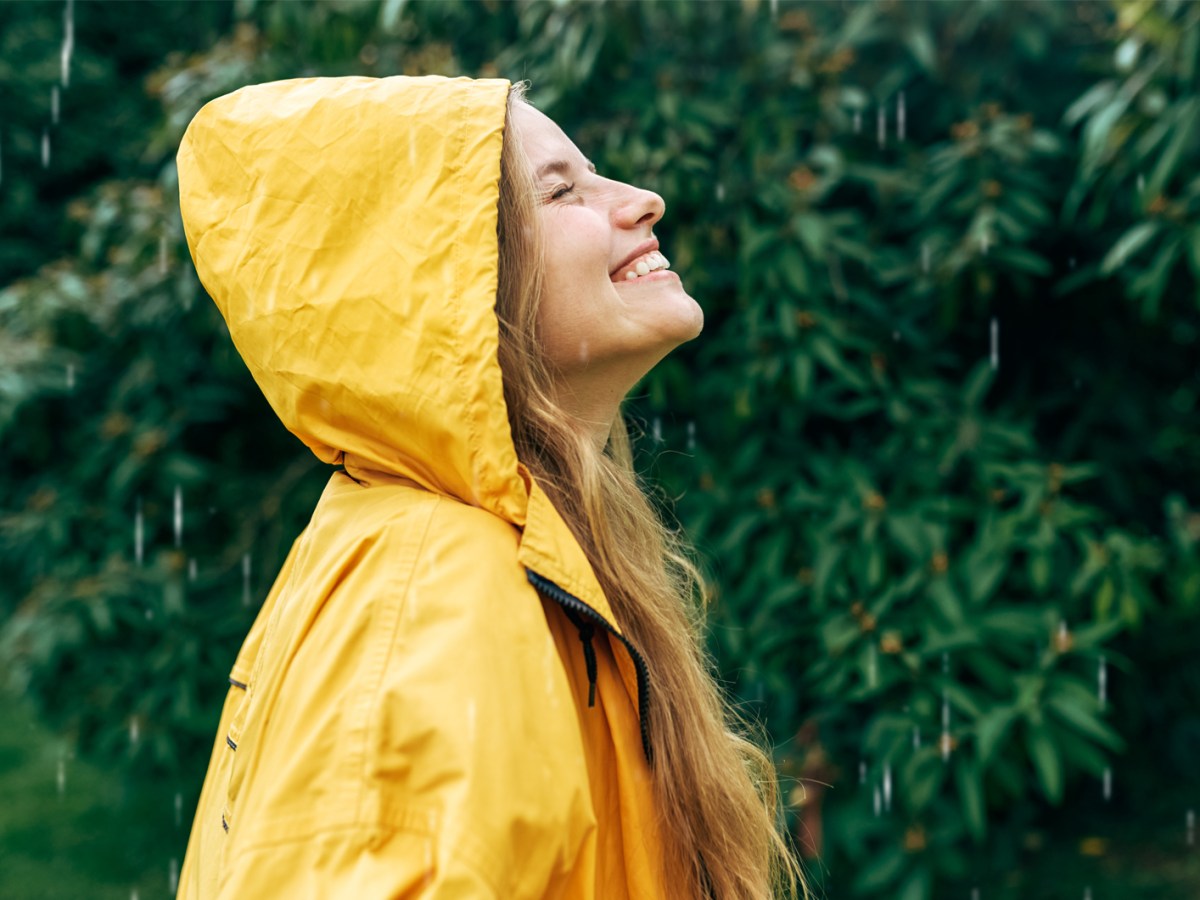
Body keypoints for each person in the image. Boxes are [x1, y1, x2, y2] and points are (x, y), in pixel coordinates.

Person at [174, 74, 809, 900]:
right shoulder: (443, 584)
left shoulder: (492, 543)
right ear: (446, 279)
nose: (644, 200)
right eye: (561, 189)